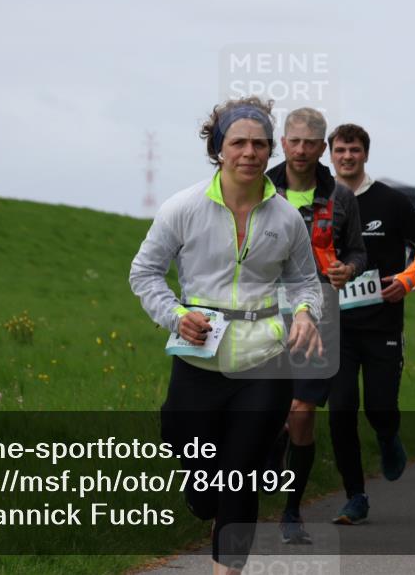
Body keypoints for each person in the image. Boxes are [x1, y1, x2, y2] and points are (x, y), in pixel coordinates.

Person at [129, 97, 324, 574]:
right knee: (198, 479)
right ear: (219, 149)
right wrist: (175, 314)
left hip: (265, 360)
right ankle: (228, 482)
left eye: (260, 144)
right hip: (198, 358)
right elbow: (145, 273)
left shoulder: (285, 217)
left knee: (240, 482)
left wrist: (304, 314)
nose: (250, 153)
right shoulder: (183, 208)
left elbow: (304, 282)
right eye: (238, 142)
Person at [326, 123, 415, 524]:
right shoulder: (319, 202)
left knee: (379, 408)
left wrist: (409, 279)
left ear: (365, 154)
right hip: (333, 327)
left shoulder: (390, 201)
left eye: (354, 150)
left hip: (381, 325)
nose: (347, 157)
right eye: (340, 150)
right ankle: (355, 495)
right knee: (340, 410)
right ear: (330, 154)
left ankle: (389, 435)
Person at [265, 107, 367, 544]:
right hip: (263, 315)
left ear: (321, 147)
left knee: (301, 413)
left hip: (319, 315)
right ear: (283, 142)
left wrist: (348, 268)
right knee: (265, 415)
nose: (302, 150)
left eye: (311, 143)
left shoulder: (341, 196)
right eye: (295, 141)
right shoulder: (261, 187)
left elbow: (360, 253)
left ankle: (291, 512)